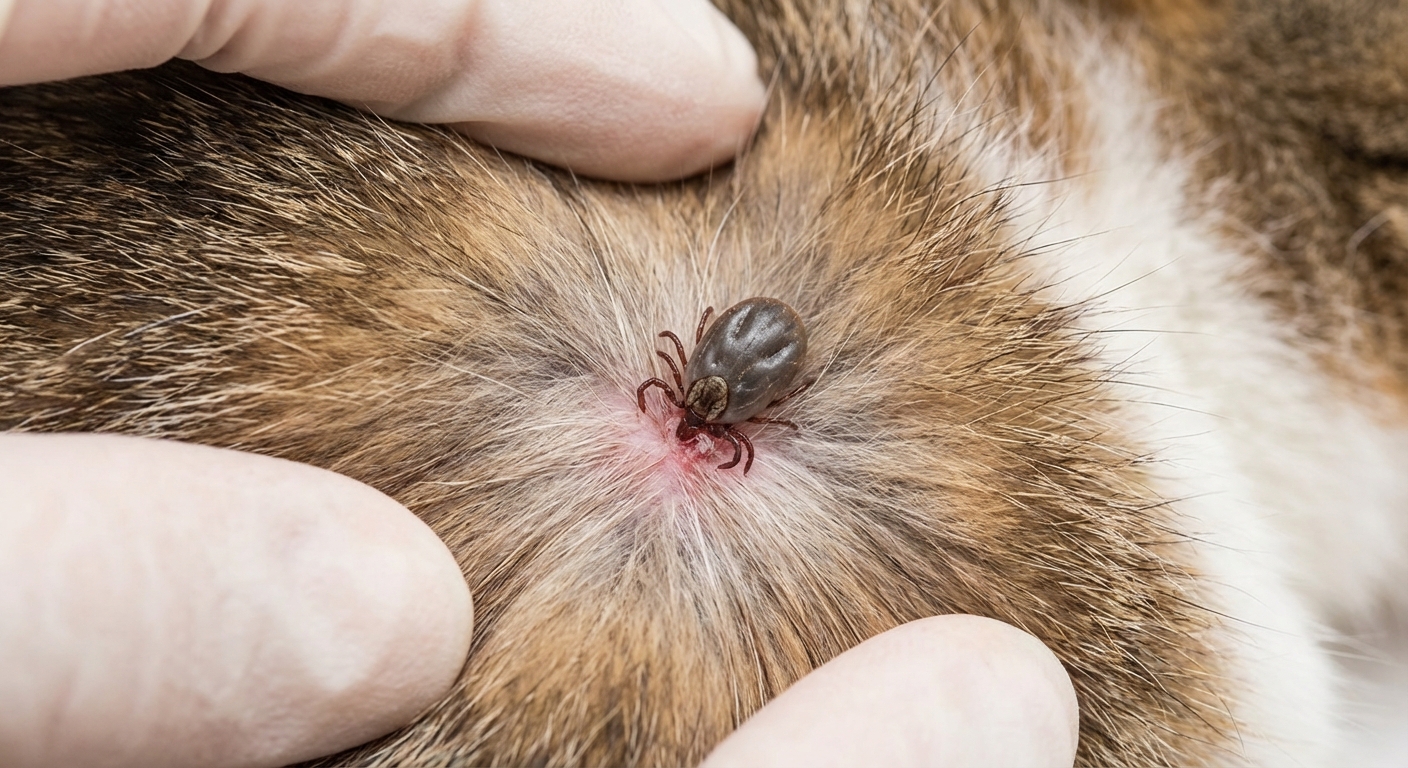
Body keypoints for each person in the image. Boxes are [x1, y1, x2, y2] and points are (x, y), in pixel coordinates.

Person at [0, 2, 1078, 766]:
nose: (695, 420)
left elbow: (717, 358)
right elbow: (743, 373)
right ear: (707, 383)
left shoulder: (688, 366)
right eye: (702, 406)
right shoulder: (732, 399)